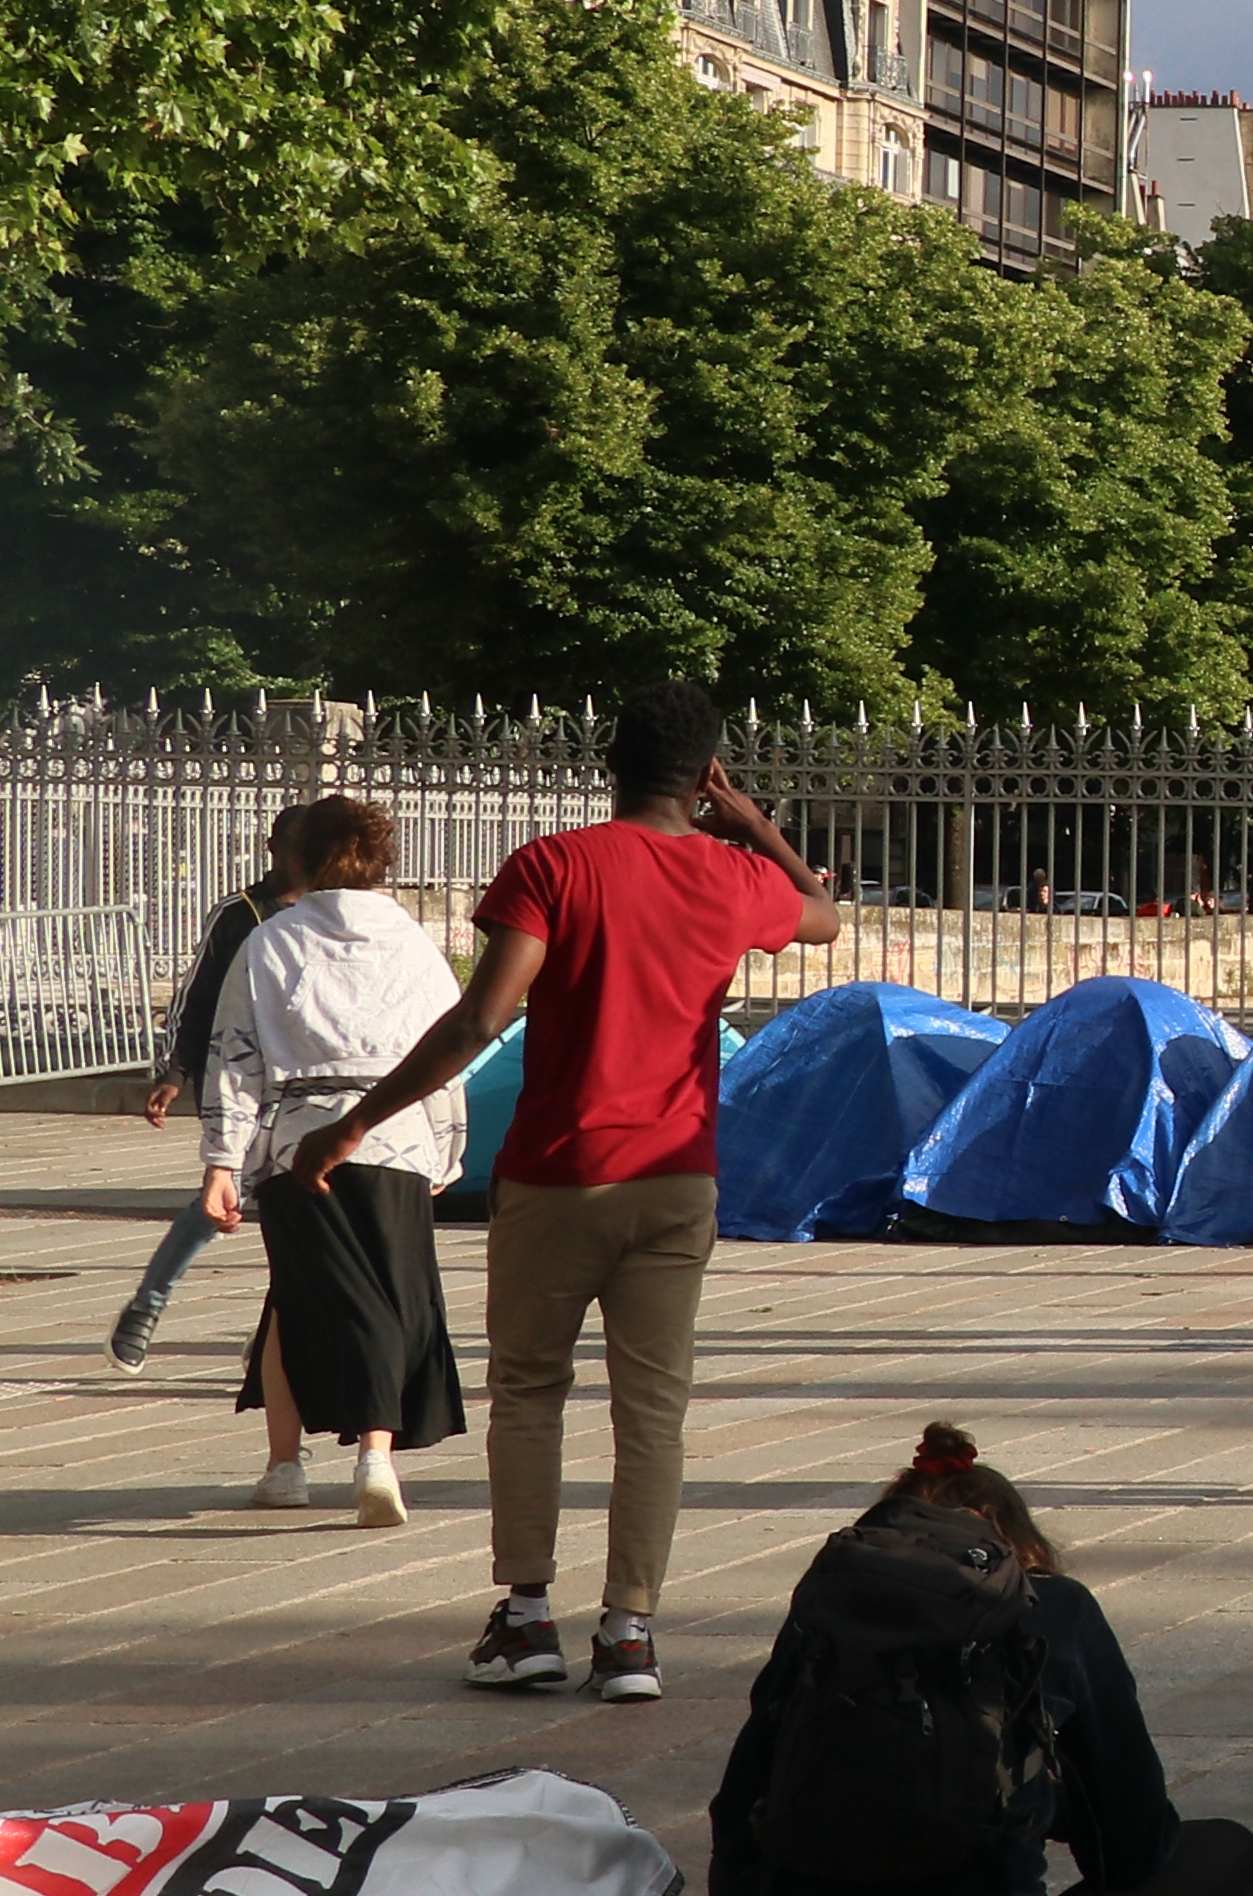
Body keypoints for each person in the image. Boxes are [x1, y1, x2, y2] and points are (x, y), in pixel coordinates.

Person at [299, 682, 836, 1703]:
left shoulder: (554, 865)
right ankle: (630, 1630)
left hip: (556, 1173)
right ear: (704, 773)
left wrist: (354, 1122)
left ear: (609, 763)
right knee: (652, 1412)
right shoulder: (731, 874)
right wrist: (755, 820)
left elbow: (475, 1023)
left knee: (532, 1394)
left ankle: (528, 1617)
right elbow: (825, 918)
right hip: (676, 1175)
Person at [709, 1425, 1253, 1896]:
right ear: (1020, 1547)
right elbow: (1135, 1843)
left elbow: (735, 1823)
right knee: (1223, 1850)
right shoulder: (1053, 1607)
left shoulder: (824, 1617)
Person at [199, 798, 471, 1527]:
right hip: (397, 1134)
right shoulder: (414, 942)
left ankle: (285, 1464)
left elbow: (235, 1057)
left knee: (296, 1293)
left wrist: (222, 1162)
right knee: (388, 1292)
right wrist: (449, 1143)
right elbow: (448, 1049)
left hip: (295, 1137)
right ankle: (374, 1454)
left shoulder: (271, 940)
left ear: (302, 857)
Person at [116, 852, 288, 1370]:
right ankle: (146, 1306)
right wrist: (175, 1072)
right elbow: (197, 998)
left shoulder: (337, 914)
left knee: (299, 1211)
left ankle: (274, 1337)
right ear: (277, 847)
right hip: (239, 1079)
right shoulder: (240, 914)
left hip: (309, 1088)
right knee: (218, 1204)